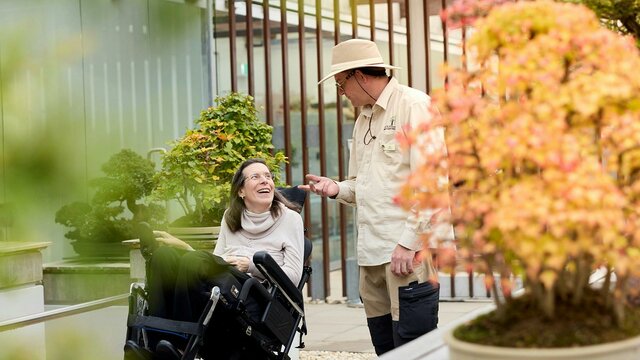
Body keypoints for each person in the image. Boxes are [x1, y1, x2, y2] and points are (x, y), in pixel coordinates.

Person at [300, 39, 454, 354]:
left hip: (406, 252)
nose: (342, 95)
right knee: (384, 345)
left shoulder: (414, 105)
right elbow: (363, 185)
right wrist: (335, 188)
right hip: (371, 252)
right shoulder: (363, 120)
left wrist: (407, 243)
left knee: (414, 346)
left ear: (359, 75)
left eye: (342, 85)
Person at [142, 158, 305, 358]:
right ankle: (157, 343)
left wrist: (251, 265)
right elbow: (216, 260)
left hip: (256, 294)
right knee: (163, 256)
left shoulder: (290, 220)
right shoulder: (231, 216)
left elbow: (294, 277)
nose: (265, 181)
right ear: (241, 191)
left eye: (268, 176)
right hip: (224, 283)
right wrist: (185, 247)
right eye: (256, 177)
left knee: (195, 262)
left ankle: (182, 342)